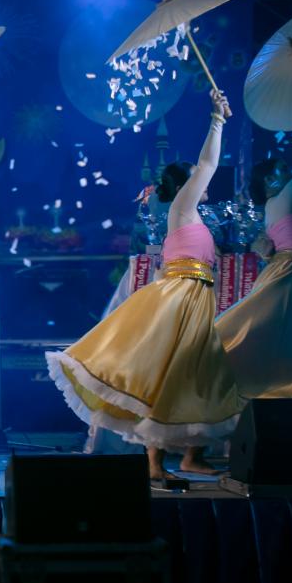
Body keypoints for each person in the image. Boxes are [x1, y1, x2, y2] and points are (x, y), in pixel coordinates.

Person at [46, 91, 244, 481]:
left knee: (201, 378)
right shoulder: (182, 208)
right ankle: (155, 463)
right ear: (185, 184)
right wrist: (217, 119)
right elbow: (208, 163)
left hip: (196, 301)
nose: (204, 179)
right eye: (195, 177)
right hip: (180, 299)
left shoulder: (194, 217)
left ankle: (190, 456)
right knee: (166, 377)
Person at [215, 119, 292, 398]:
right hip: (288, 276)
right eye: (282, 169)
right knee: (286, 341)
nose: (289, 171)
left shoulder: (276, 204)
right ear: (270, 181)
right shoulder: (287, 197)